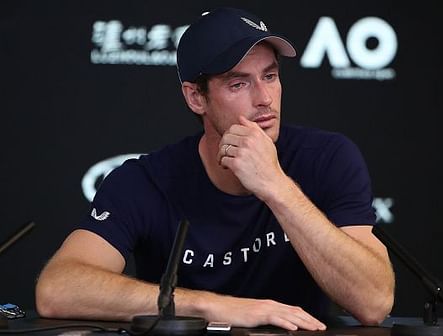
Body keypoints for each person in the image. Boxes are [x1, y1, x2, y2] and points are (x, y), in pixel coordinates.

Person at [35, 7, 394, 331]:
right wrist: (210, 306)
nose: (264, 98)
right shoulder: (146, 180)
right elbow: (59, 288)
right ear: (196, 98)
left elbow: (373, 302)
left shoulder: (327, 158)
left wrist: (276, 187)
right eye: (239, 83)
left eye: (269, 76)